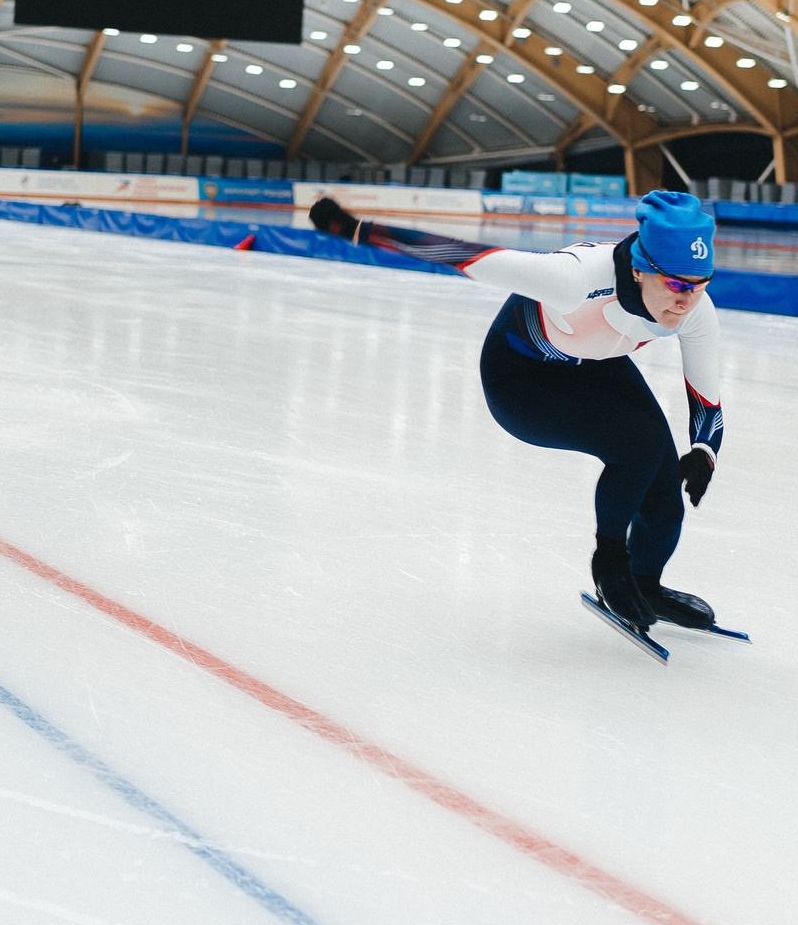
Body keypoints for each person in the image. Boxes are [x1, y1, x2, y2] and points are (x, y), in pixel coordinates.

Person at [309, 188, 727, 645]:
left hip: (594, 363)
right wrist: (353, 228)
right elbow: (465, 254)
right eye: (677, 285)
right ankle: (610, 563)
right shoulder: (576, 278)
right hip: (520, 381)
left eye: (700, 284)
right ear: (639, 268)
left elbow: (706, 394)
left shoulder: (694, 309)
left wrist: (705, 451)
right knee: (639, 444)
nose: (687, 301)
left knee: (665, 480)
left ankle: (646, 583)